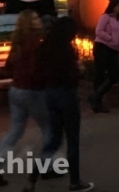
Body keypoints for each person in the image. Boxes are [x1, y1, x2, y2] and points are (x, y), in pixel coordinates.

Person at [0, 10, 50, 187]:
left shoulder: (17, 44)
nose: (40, 21)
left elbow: (8, 67)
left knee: (15, 131)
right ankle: (46, 167)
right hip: (33, 92)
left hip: (15, 90)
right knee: (49, 129)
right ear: (33, 24)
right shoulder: (36, 46)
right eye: (37, 18)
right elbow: (36, 73)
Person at [30, 17, 94, 192]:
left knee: (53, 140)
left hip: (49, 96)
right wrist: (79, 71)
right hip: (67, 96)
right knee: (72, 140)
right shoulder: (67, 51)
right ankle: (75, 182)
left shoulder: (44, 49)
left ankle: (33, 178)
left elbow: (38, 73)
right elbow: (72, 75)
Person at [88, 0, 119, 113]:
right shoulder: (106, 17)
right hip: (102, 47)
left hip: (114, 50)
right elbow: (98, 31)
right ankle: (97, 103)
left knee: (114, 75)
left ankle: (95, 96)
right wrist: (110, 39)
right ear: (113, 7)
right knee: (100, 74)